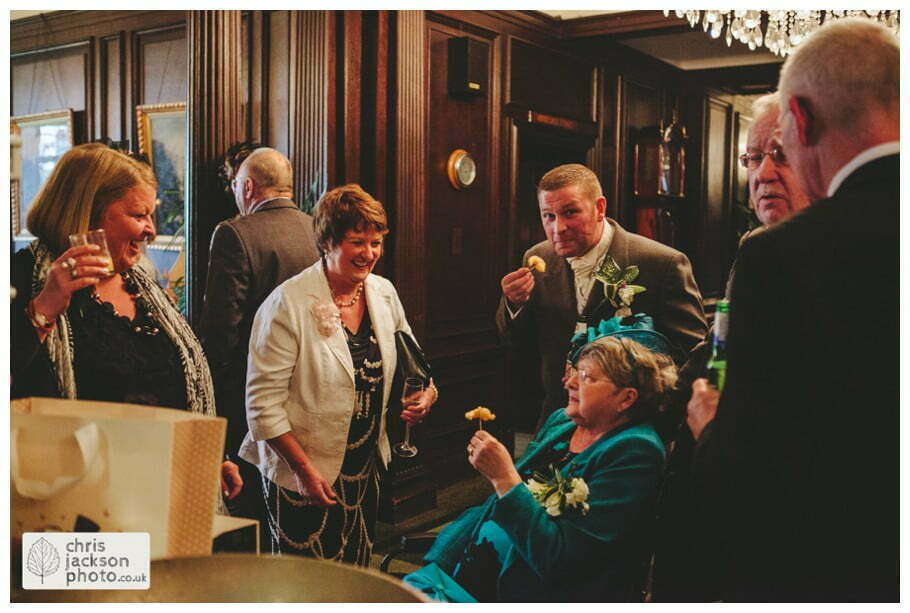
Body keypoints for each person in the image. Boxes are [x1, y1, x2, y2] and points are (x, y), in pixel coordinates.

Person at [686, 18, 898, 601]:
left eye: (779, 151)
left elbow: (760, 469)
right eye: (750, 159)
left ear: (800, 120)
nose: (763, 174)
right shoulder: (760, 250)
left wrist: (710, 429)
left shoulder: (786, 257)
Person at [10, 143, 241, 500]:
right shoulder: (22, 278)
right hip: (73, 505)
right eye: (139, 215)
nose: (151, 229)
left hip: (161, 493)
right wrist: (43, 309)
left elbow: (170, 385)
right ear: (89, 214)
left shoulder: (142, 286)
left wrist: (210, 455)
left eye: (152, 215)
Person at [404, 315, 676, 602]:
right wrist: (441, 565)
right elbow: (492, 510)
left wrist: (504, 478)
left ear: (626, 398)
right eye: (574, 371)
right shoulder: (562, 423)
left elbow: (562, 560)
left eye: (586, 377)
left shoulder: (635, 451)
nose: (569, 382)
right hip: (460, 575)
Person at [239, 183, 438, 564]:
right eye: (357, 242)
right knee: (307, 583)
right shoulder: (287, 304)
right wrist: (304, 471)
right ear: (328, 242)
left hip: (364, 469)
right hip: (299, 472)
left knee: (355, 571)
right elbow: (262, 407)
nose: (370, 254)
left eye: (376, 242)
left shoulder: (383, 293)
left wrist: (426, 395)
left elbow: (416, 366)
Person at [496, 163, 706, 430]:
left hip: (630, 423)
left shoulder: (660, 263)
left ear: (600, 208)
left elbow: (691, 356)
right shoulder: (538, 257)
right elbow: (518, 345)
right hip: (557, 419)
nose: (558, 228)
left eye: (570, 212)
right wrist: (514, 305)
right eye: (548, 216)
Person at [198, 147, 319, 528]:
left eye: (236, 184)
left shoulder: (235, 233)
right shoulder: (316, 228)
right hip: (310, 382)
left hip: (249, 388)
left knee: (252, 497)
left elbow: (221, 327)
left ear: (248, 187)